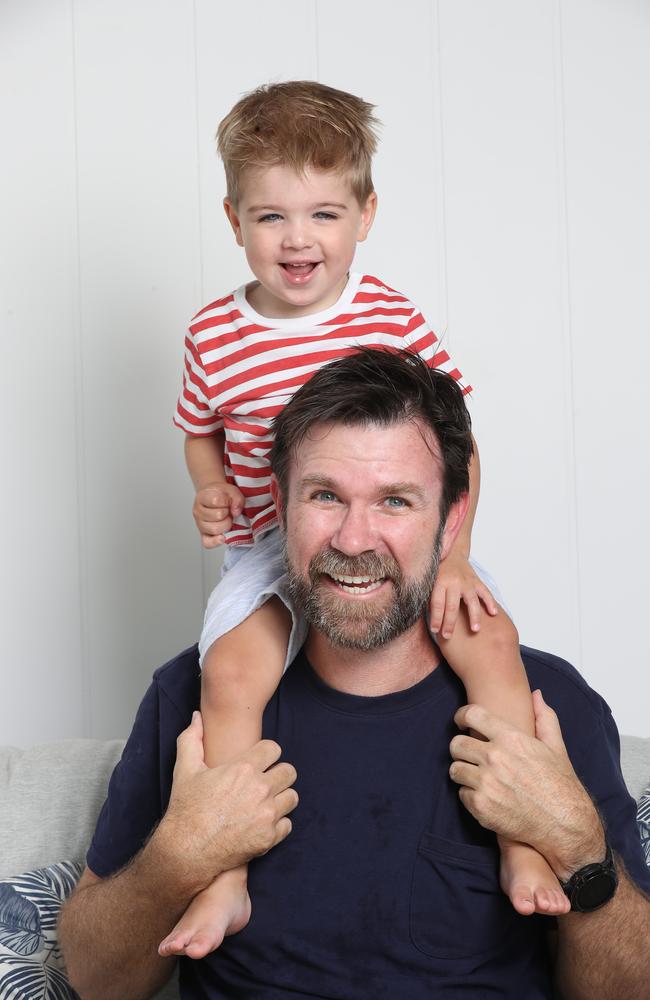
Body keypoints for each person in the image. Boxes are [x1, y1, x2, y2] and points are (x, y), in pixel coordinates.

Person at [60, 350, 650, 1000]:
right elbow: (94, 983)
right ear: (280, 505)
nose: (353, 539)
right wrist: (180, 858)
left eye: (395, 501)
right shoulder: (193, 692)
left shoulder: (547, 701)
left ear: (451, 520)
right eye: (325, 496)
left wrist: (579, 850)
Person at [170, 79, 557, 959]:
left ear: (367, 213)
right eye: (270, 217)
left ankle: (524, 838)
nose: (298, 240)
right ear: (233, 219)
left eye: (324, 214)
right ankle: (224, 875)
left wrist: (457, 556)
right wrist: (212, 488)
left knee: (490, 642)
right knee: (233, 676)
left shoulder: (386, 316)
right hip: (277, 547)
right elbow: (200, 429)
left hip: (394, 547)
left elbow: (457, 446)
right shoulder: (212, 334)